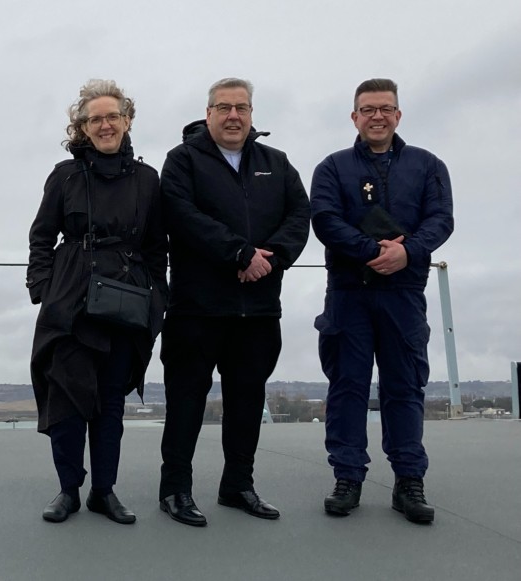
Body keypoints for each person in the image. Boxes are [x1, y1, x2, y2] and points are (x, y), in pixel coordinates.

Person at [158, 78, 310, 526]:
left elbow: (299, 216)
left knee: (247, 401)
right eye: (223, 107)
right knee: (185, 402)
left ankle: (238, 485)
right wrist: (238, 253)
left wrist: (271, 258)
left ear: (251, 113)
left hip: (258, 309)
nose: (233, 116)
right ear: (208, 114)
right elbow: (182, 217)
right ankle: (175, 491)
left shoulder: (275, 164)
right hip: (196, 309)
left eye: (241, 107)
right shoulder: (182, 161)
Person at [310, 78, 454, 524]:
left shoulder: (428, 166)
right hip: (350, 294)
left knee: (405, 388)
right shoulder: (332, 168)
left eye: (385, 108)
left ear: (398, 115)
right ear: (354, 117)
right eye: (368, 109)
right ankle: (348, 477)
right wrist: (372, 252)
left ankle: (409, 481)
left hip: (404, 295)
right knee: (347, 388)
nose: (377, 116)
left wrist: (407, 251)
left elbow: (441, 219)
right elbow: (325, 219)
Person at [26, 79, 168, 525]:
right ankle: (68, 490)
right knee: (67, 401)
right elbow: (42, 237)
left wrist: (155, 301)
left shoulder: (147, 179)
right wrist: (43, 289)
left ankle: (104, 492)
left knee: (109, 405)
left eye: (112, 117)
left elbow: (156, 247)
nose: (105, 125)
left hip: (124, 303)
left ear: (127, 121)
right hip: (70, 300)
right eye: (95, 119)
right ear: (82, 127)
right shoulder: (65, 176)